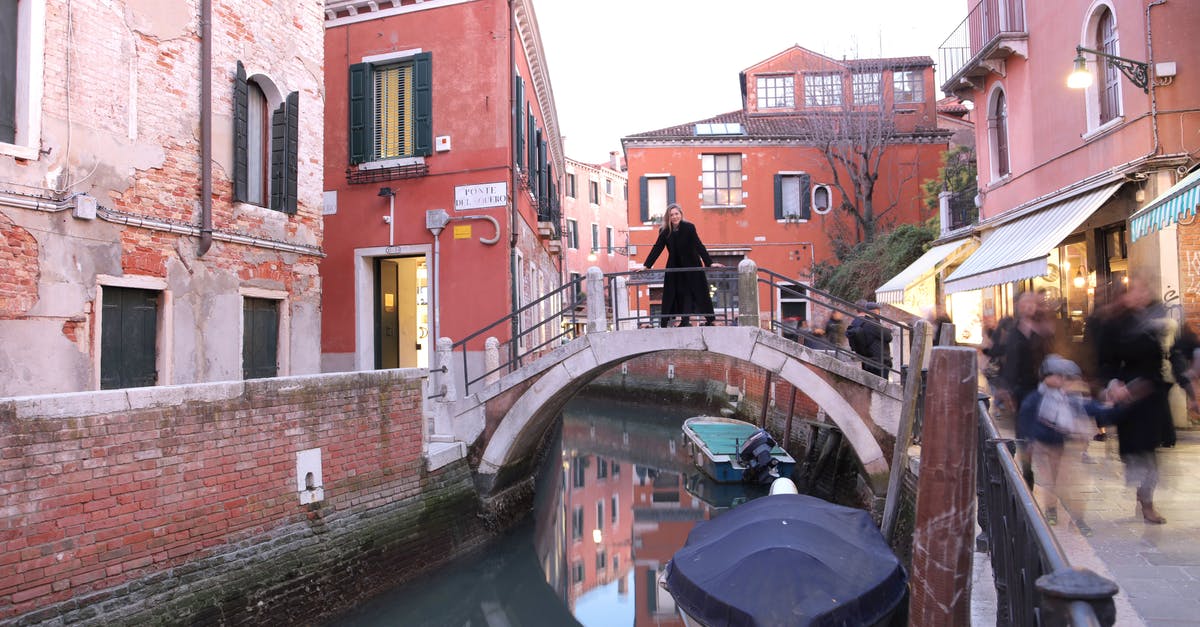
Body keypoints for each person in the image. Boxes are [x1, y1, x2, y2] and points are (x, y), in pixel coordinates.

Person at [1091, 276, 1175, 524]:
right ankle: (1143, 493)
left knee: (1151, 451)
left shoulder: (1154, 320)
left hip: (1152, 396)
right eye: (1135, 292)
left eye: (1143, 291)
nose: (1140, 296)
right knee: (1136, 452)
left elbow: (1163, 357)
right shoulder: (1114, 325)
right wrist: (1114, 384)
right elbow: (1105, 362)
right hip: (1129, 398)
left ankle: (1147, 499)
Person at [1016, 355, 1113, 535]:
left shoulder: (1069, 396)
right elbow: (1025, 420)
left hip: (1061, 444)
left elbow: (1088, 408)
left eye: (1064, 376)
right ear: (1046, 376)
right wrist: (1026, 441)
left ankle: (1077, 518)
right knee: (1049, 480)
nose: (1062, 380)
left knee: (1068, 481)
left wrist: (1108, 408)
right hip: (1041, 445)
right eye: (1058, 376)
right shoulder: (1036, 397)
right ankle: (1051, 509)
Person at [639, 203, 722, 327]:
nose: (674, 217)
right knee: (674, 293)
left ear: (681, 215)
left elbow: (699, 245)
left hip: (692, 265)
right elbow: (657, 248)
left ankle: (701, 320)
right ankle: (667, 322)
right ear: (668, 217)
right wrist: (646, 266)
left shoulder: (689, 227)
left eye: (676, 214)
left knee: (695, 292)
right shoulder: (664, 231)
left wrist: (709, 262)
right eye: (671, 215)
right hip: (675, 267)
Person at [846, 303, 892, 377]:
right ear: (875, 311)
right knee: (880, 386)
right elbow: (889, 337)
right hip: (879, 362)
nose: (879, 313)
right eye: (878, 311)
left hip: (867, 360)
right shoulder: (873, 324)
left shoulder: (859, 322)